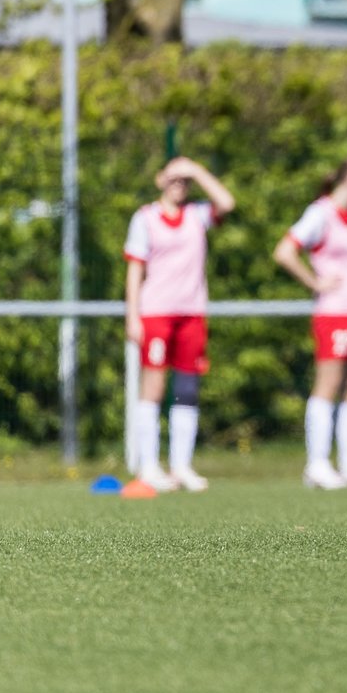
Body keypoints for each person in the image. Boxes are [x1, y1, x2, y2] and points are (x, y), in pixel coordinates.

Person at [273, 157, 347, 490]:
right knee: (328, 383)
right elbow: (284, 251)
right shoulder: (320, 213)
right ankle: (318, 464)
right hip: (334, 311)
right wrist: (315, 283)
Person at [124, 156, 235, 492]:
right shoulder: (144, 218)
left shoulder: (197, 215)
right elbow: (135, 269)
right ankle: (148, 466)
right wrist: (133, 315)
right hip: (156, 312)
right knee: (153, 388)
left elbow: (227, 203)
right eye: (173, 178)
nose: (179, 185)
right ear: (159, 179)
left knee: (187, 389)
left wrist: (197, 170)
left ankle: (181, 466)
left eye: (184, 181)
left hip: (192, 313)